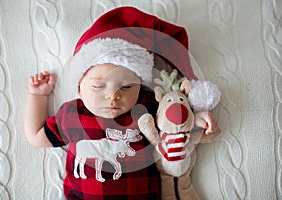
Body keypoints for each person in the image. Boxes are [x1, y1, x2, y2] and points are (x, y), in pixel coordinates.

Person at [24, 6, 220, 200]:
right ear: (79, 87)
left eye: (126, 87)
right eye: (98, 86)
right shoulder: (74, 113)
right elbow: (36, 136)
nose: (113, 96)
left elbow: (173, 122)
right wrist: (39, 96)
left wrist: (197, 118)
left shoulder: (145, 107)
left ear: (139, 86)